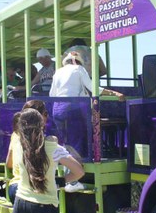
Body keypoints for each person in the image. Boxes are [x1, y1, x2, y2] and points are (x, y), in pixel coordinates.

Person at [49, 51, 124, 187]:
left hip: (57, 109)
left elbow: (51, 94)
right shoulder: (79, 69)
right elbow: (93, 88)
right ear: (78, 61)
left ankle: (69, 173)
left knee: (67, 141)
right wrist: (114, 93)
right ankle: (73, 180)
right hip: (72, 109)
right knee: (79, 139)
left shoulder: (58, 72)